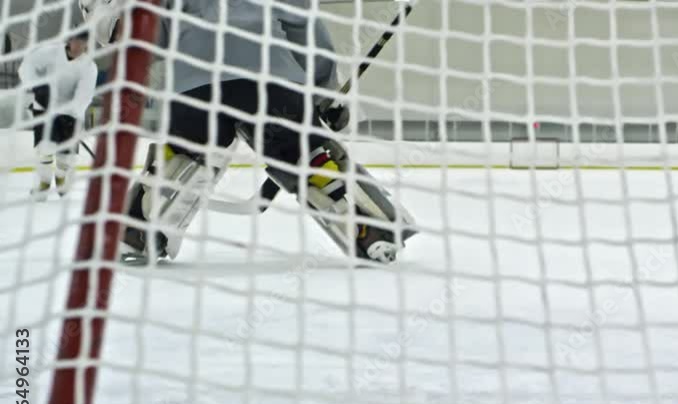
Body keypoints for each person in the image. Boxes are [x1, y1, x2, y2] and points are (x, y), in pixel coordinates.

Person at [79, 0, 414, 263]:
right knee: (304, 153)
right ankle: (368, 226)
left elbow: (152, 33)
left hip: (196, 83)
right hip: (271, 78)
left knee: (186, 150)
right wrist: (324, 94)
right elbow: (307, 31)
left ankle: (140, 227)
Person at [18, 31, 97, 201]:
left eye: (83, 43)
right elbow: (26, 66)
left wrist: (70, 114)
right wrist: (37, 87)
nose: (79, 46)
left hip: (71, 115)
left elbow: (85, 95)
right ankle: (44, 183)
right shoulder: (49, 52)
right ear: (70, 40)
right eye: (77, 41)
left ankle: (61, 178)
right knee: (45, 148)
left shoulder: (89, 66)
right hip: (43, 109)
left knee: (66, 156)